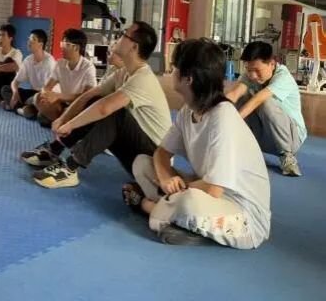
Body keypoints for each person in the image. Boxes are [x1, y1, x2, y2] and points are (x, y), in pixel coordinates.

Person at [128, 39, 271, 249]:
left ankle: (147, 206)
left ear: (189, 79)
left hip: (243, 216)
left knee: (188, 202)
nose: (172, 71)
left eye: (175, 67)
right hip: (204, 190)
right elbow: (161, 153)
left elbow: (214, 190)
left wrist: (175, 190)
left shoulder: (222, 117)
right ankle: (174, 219)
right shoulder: (188, 111)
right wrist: (166, 179)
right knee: (142, 163)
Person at [26, 22, 172, 190]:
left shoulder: (143, 79)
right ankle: (54, 149)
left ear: (134, 47)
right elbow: (88, 96)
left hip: (155, 164)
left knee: (115, 113)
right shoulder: (122, 73)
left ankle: (70, 168)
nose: (118, 37)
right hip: (135, 154)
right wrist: (63, 119)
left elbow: (105, 108)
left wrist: (70, 124)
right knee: (95, 100)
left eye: (124, 34)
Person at [226, 41, 306, 176]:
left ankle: (287, 157)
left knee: (264, 102)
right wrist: (212, 114)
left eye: (257, 70)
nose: (252, 75)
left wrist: (229, 122)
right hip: (267, 137)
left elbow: (258, 100)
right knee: (240, 99)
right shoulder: (249, 75)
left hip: (292, 139)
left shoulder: (283, 77)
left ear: (272, 64)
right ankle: (247, 149)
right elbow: (234, 94)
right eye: (248, 69)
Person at [33, 28, 97, 126]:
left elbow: (87, 96)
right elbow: (47, 87)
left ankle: (54, 119)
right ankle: (61, 121)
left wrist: (58, 96)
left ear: (76, 48)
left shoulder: (88, 67)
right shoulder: (60, 63)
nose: (62, 47)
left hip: (78, 106)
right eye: (62, 44)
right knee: (37, 98)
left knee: (43, 116)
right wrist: (45, 95)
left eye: (66, 44)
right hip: (62, 104)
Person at [0, 29, 56, 118]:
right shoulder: (28, 60)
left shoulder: (49, 62)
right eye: (29, 39)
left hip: (44, 95)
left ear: (41, 44)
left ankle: (15, 106)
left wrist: (35, 99)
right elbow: (15, 82)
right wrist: (15, 93)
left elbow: (49, 90)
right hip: (32, 93)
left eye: (33, 39)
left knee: (38, 100)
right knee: (5, 89)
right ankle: (23, 109)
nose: (29, 41)